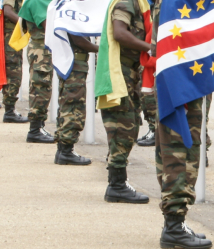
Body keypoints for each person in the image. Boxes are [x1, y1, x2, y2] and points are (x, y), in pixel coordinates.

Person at [147, 0, 211, 249]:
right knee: (179, 150)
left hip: (181, 75)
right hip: (182, 79)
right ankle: (174, 226)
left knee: (175, 149)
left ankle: (175, 222)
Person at [97, 0, 152, 203]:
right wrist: (150, 48)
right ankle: (116, 186)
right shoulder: (126, 2)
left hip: (128, 72)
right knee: (122, 128)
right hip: (119, 73)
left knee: (127, 126)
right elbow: (119, 33)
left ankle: (117, 182)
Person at [54, 35, 99, 164]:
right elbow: (78, 40)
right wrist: (101, 48)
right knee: (73, 107)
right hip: (74, 65)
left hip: (72, 63)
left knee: (67, 105)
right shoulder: (71, 21)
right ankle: (66, 151)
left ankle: (63, 150)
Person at [24, 18, 56, 143]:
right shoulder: (38, 5)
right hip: (40, 50)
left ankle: (39, 127)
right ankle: (35, 130)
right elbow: (47, 24)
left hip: (43, 48)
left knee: (43, 88)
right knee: (40, 89)